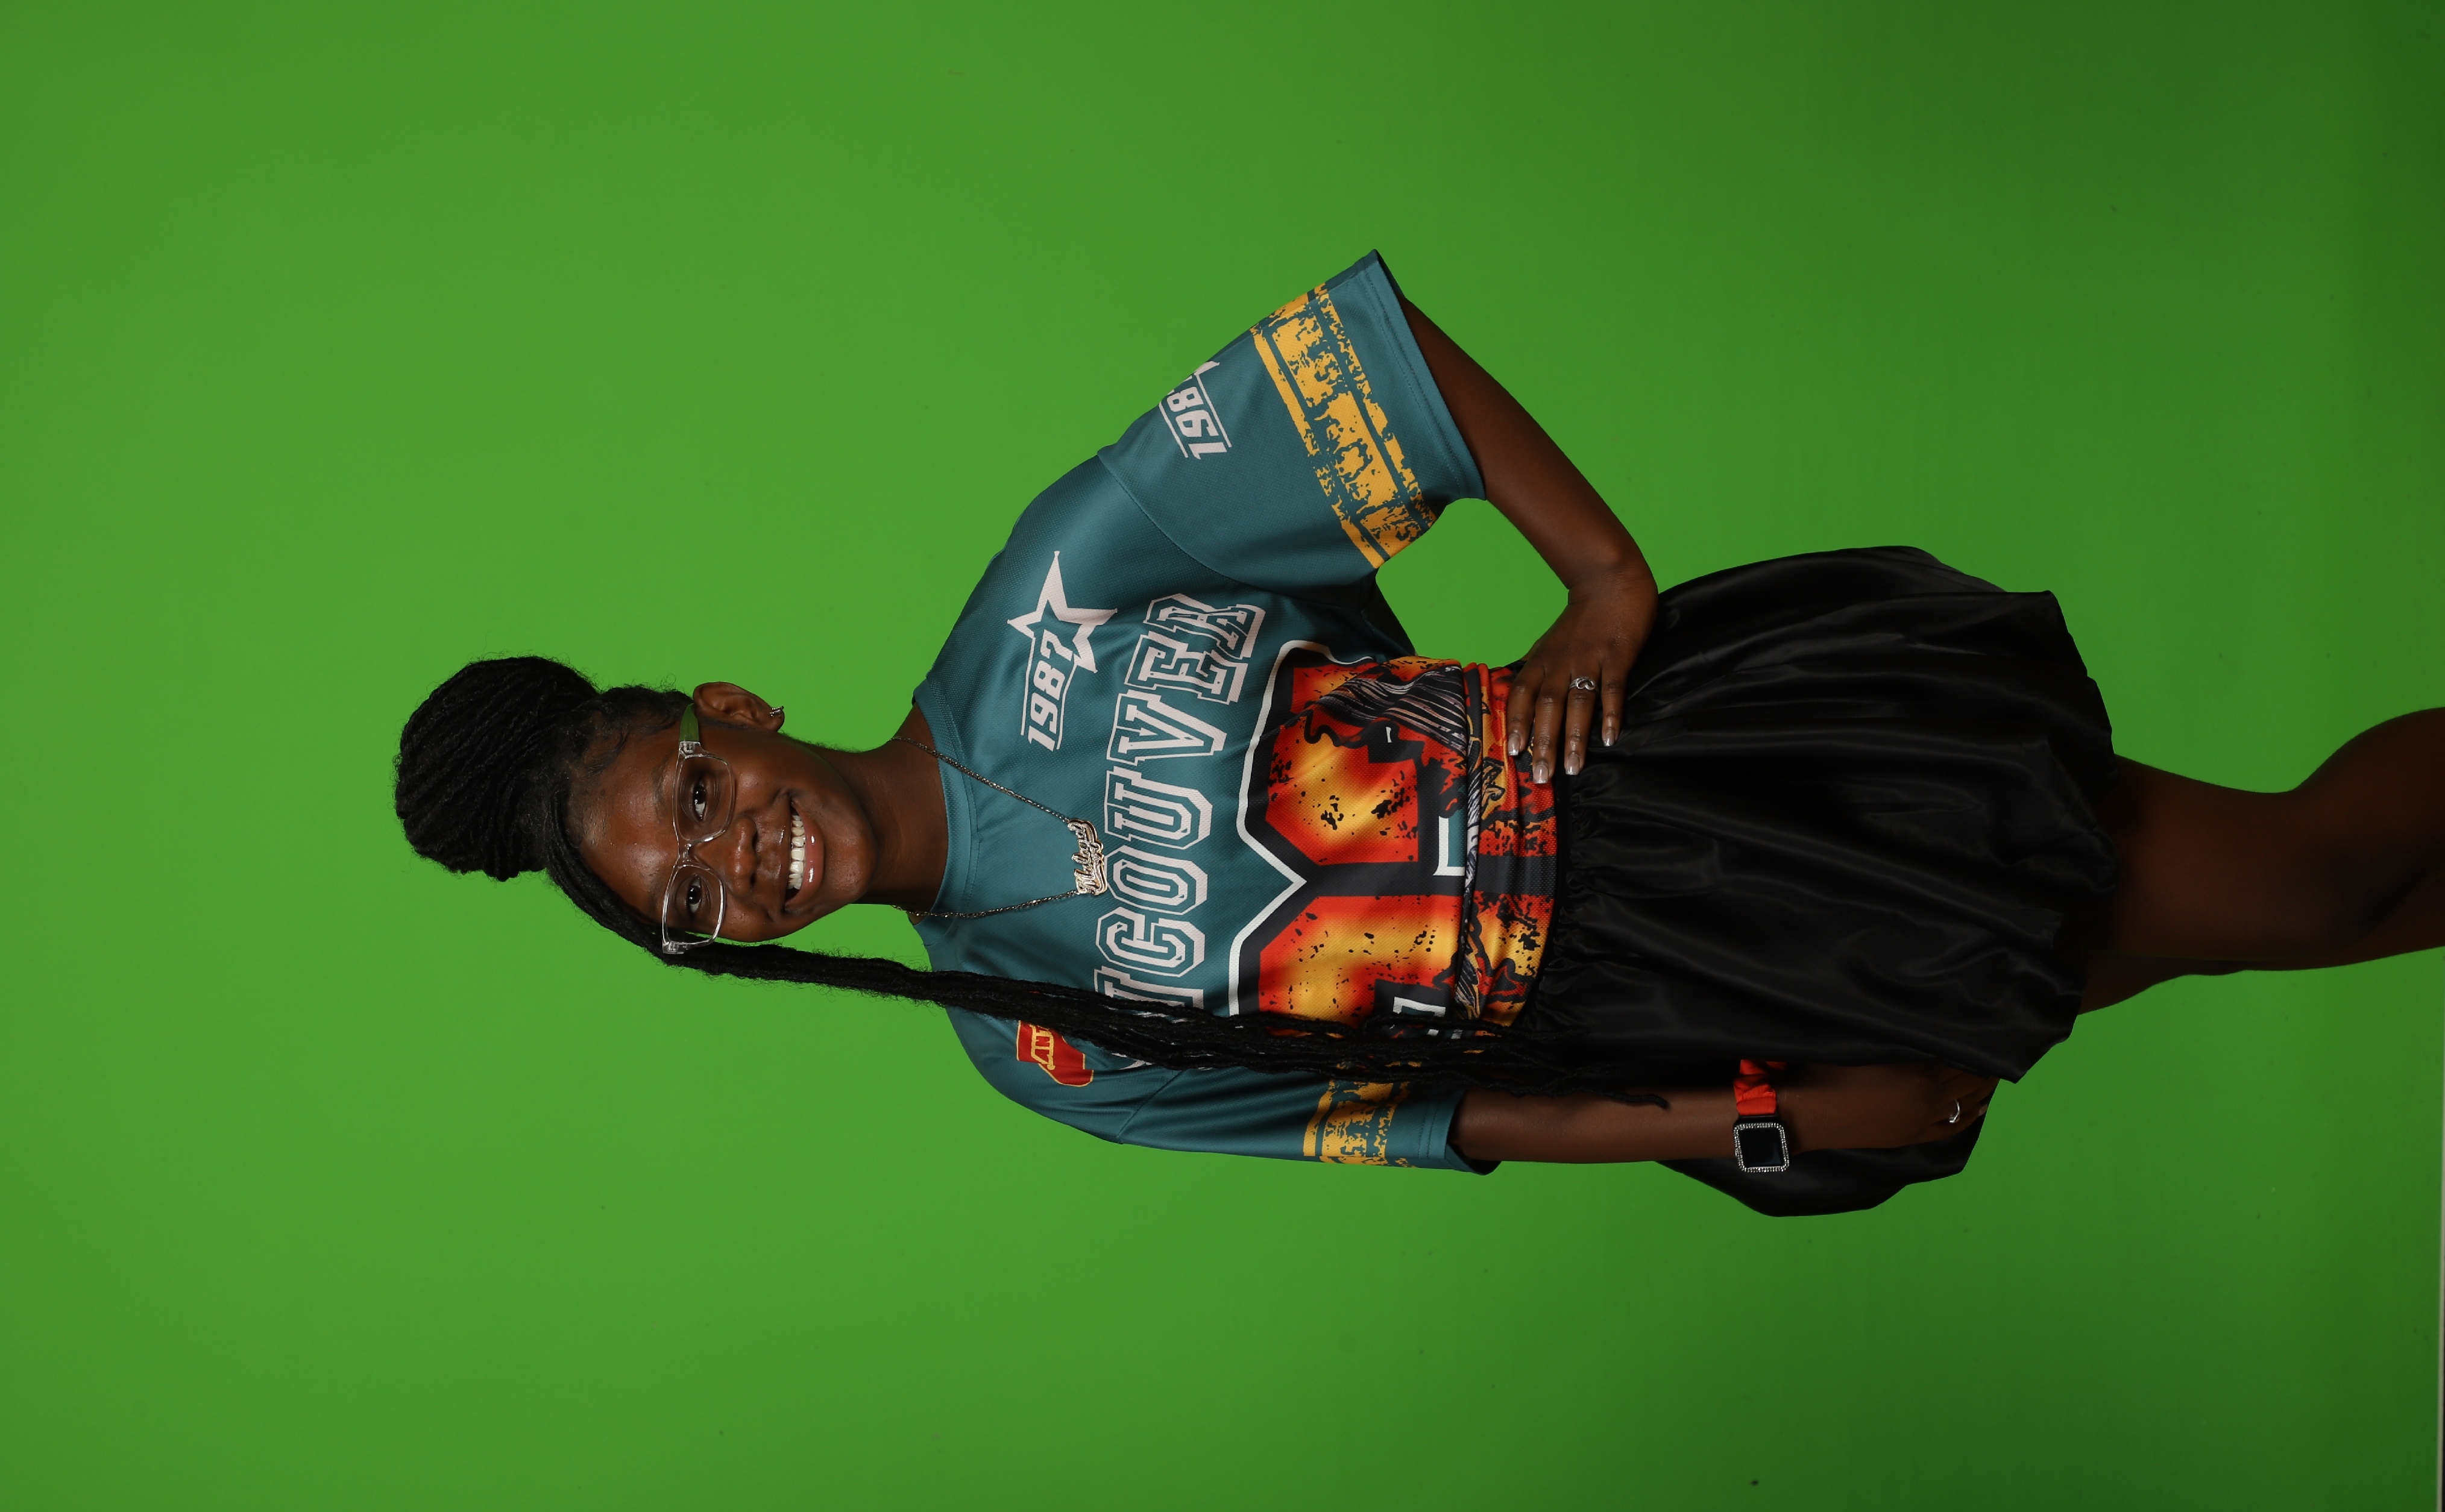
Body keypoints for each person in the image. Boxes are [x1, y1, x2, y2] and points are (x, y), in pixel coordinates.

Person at [394, 254, 2445, 1215]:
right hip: (1674, 991)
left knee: (2309, 878)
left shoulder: (1054, 591)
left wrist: (1607, 587)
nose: (739, 860)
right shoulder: (1032, 1051)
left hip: (1700, 790)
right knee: (2239, 936)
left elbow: (1376, 367)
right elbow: (1443, 1120)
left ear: (732, 714)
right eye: (691, 898)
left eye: (696, 797)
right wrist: (1755, 1119)